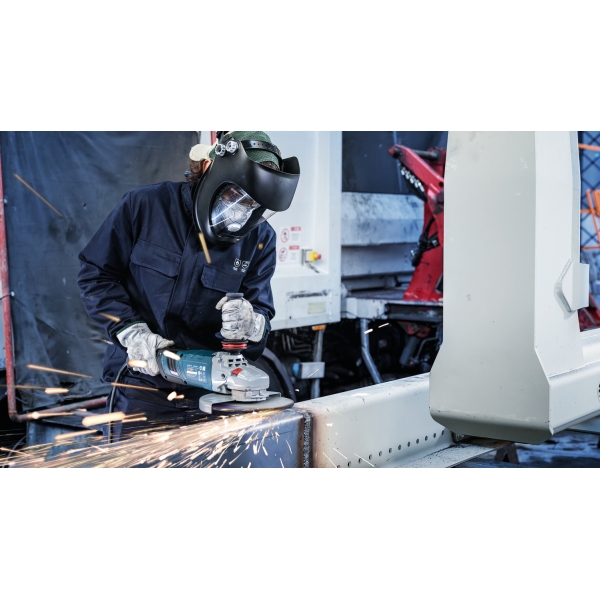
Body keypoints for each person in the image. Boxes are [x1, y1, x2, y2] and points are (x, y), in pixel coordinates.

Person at [78, 131, 300, 439]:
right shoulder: (145, 206)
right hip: (142, 386)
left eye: (253, 204)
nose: (242, 210)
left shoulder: (259, 240)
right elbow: (96, 274)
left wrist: (252, 324)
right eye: (236, 196)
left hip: (213, 392)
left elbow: (261, 313)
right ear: (209, 168)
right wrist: (130, 331)